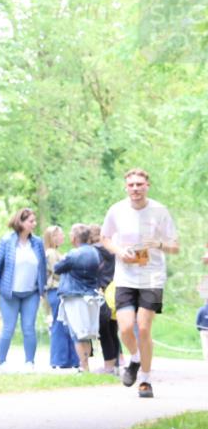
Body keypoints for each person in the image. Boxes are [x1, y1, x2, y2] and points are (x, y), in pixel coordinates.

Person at [100, 168, 179, 398]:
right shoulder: (117, 210)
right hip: (125, 276)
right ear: (126, 187)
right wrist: (118, 251)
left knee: (143, 327)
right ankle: (135, 358)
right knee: (125, 327)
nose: (135, 188)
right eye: (131, 185)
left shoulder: (159, 211)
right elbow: (105, 238)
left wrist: (158, 244)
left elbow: (175, 245)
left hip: (152, 276)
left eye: (139, 184)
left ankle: (145, 379)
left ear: (147, 186)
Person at [0, 208, 46, 371]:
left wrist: (42, 289)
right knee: (8, 327)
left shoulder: (37, 243)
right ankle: (1, 362)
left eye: (35, 221)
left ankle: (30, 362)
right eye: (31, 221)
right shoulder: (7, 241)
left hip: (31, 293)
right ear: (20, 222)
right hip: (9, 293)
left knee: (29, 327)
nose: (34, 224)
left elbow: (42, 266)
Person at [54, 224, 103, 372]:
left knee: (77, 333)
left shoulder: (74, 254)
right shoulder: (95, 253)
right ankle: (86, 364)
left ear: (74, 238)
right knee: (87, 333)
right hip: (92, 295)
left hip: (75, 296)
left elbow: (57, 268)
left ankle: (84, 366)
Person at [42, 225, 80, 369]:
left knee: (66, 325)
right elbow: (57, 271)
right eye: (59, 235)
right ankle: (59, 359)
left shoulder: (57, 252)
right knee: (59, 325)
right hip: (56, 291)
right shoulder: (51, 253)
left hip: (61, 291)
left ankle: (70, 359)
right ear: (52, 238)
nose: (63, 236)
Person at [90, 223, 121, 374]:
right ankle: (115, 364)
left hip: (101, 291)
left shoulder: (94, 251)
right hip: (115, 290)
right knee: (113, 330)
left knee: (104, 331)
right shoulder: (113, 250)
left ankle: (108, 365)